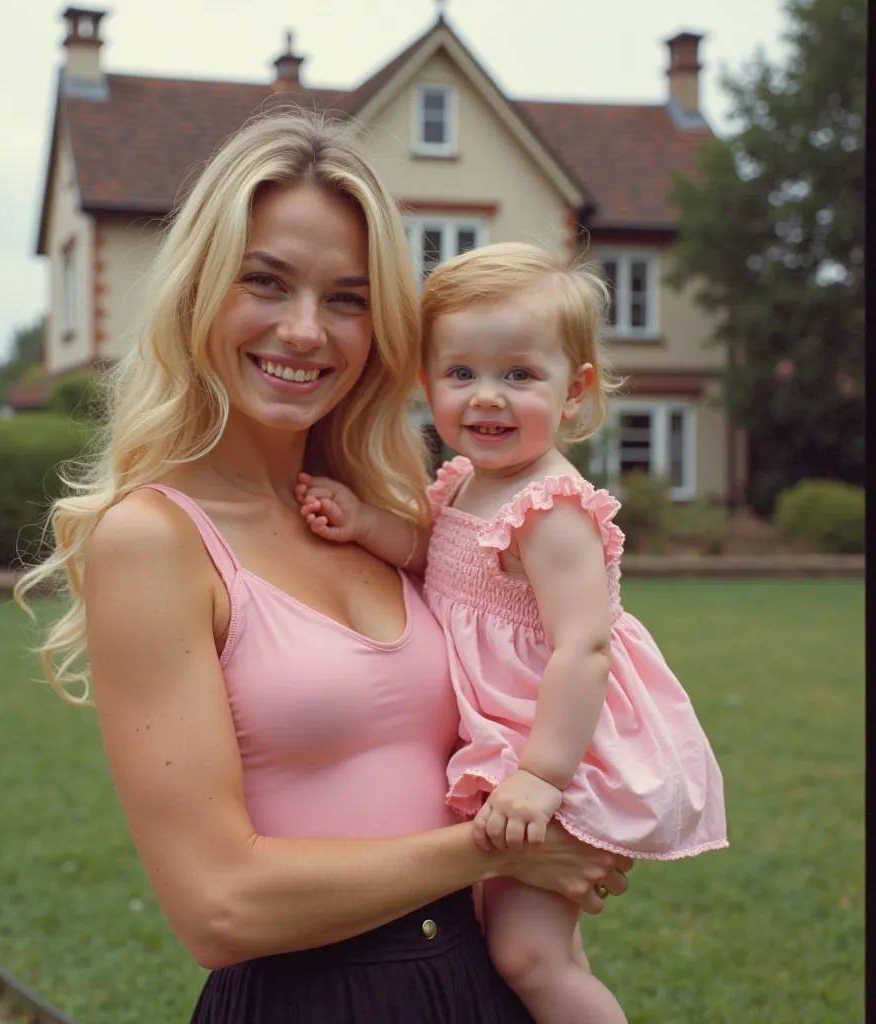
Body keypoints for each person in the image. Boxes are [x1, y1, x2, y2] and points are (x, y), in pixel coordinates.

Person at [15, 114, 633, 1023]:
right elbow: (219, 906)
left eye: (346, 298)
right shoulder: (155, 540)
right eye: (265, 282)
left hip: (477, 982)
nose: (305, 331)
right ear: (197, 293)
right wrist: (498, 848)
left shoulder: (391, 511)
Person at [295, 242, 729, 1023]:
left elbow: (583, 647)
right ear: (428, 385)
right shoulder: (466, 482)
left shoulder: (553, 508)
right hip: (510, 740)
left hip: (556, 748)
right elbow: (437, 559)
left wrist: (539, 777)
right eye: (463, 374)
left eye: (519, 375)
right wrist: (365, 523)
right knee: (533, 947)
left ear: (574, 391)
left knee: (526, 956)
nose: (487, 398)